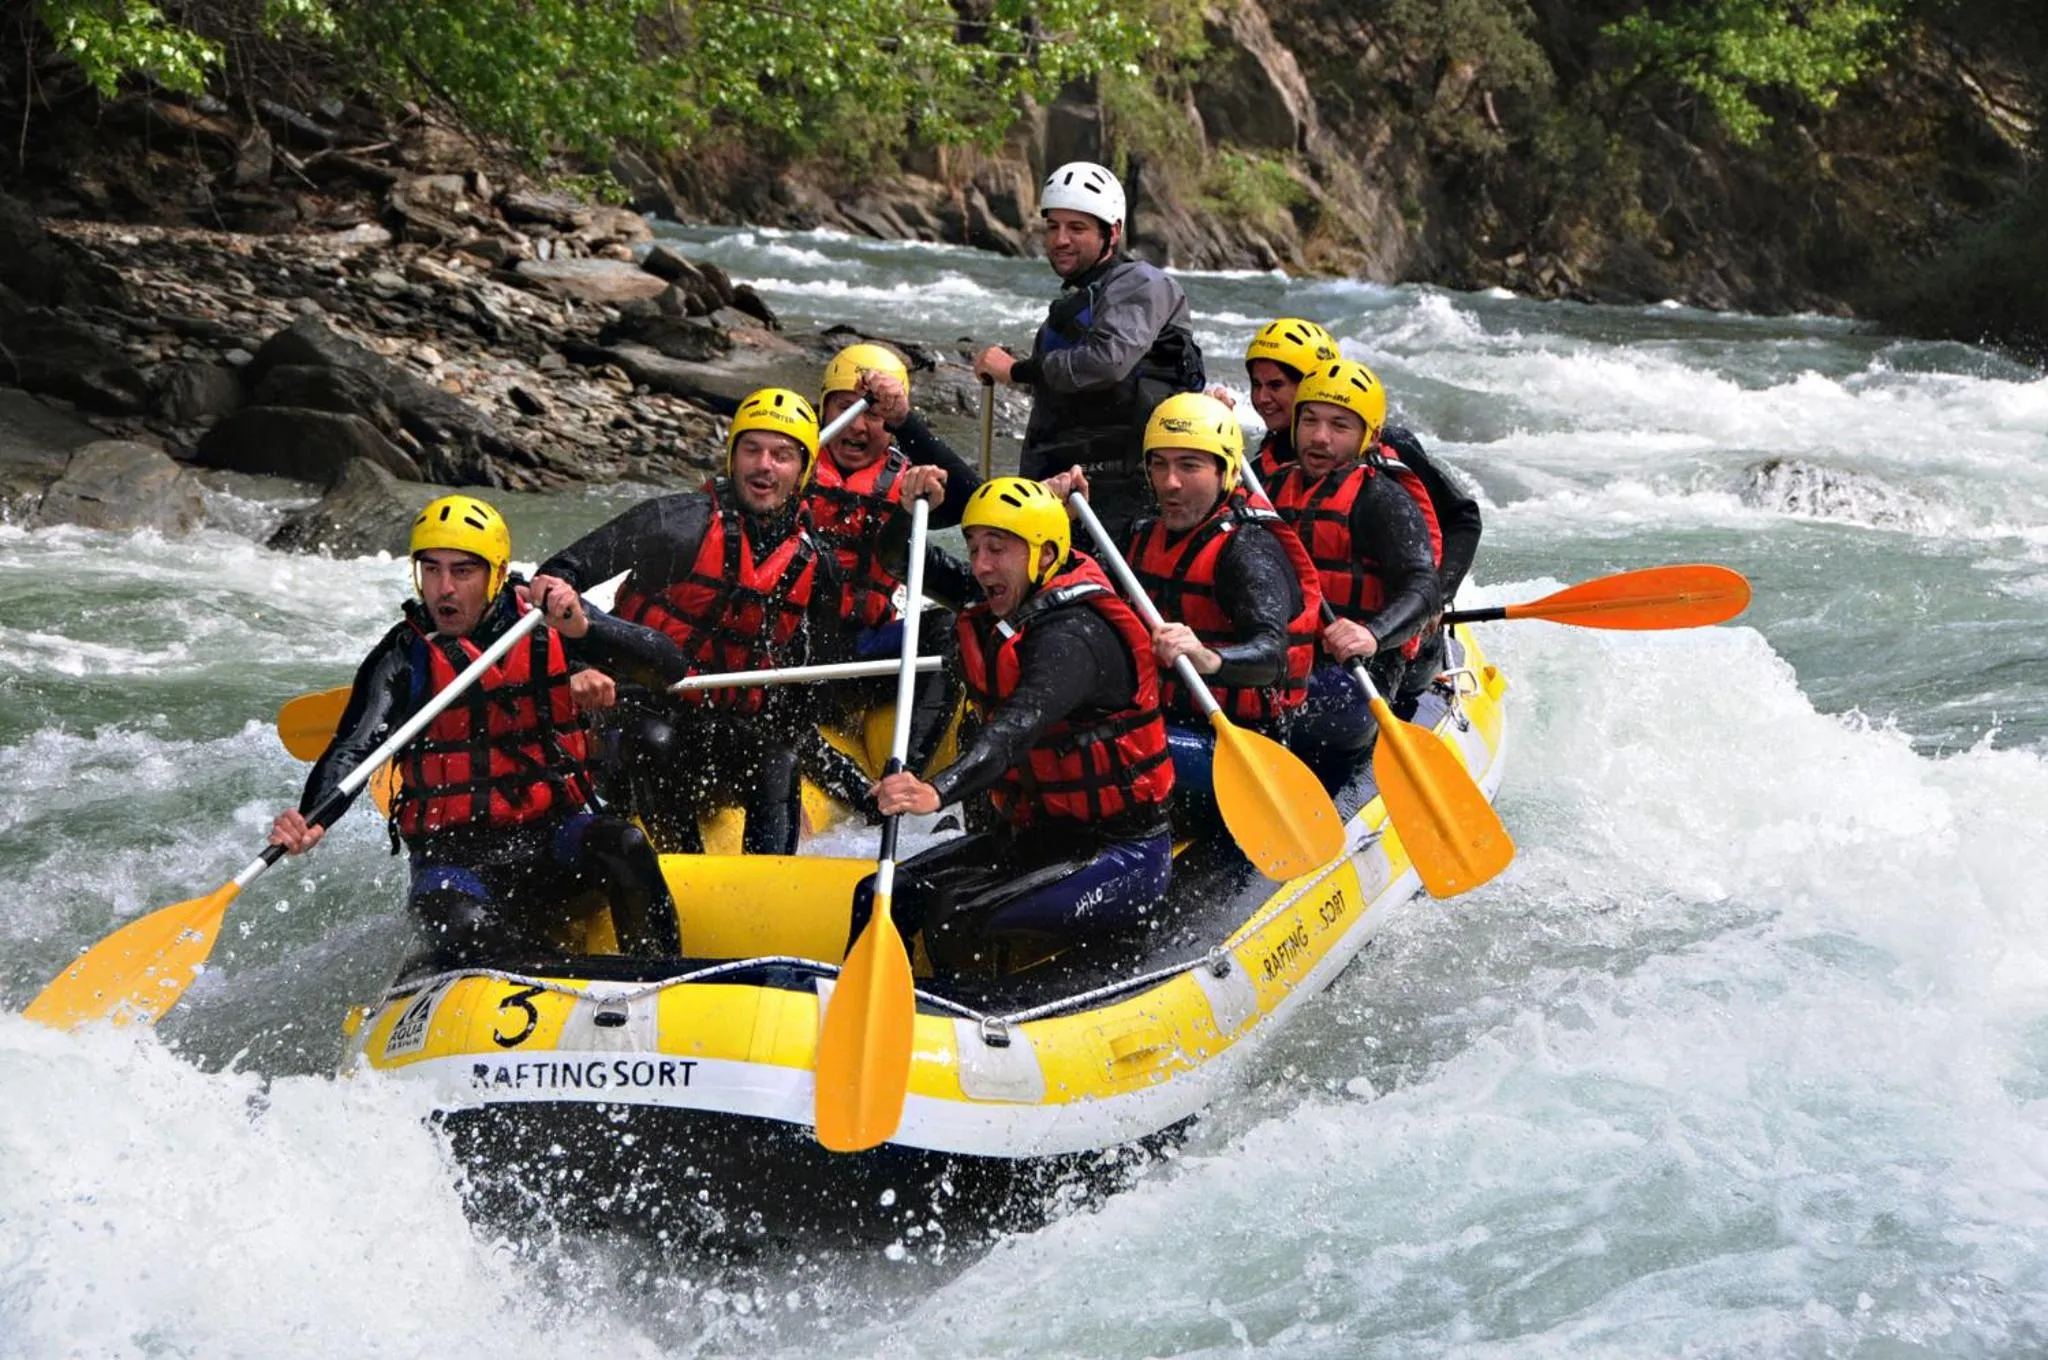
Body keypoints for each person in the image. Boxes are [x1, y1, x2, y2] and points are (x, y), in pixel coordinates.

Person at [267, 494, 680, 965]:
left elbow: (668, 666)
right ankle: (546, 974)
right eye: (431, 569)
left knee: (624, 845)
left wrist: (584, 631)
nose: (444, 588)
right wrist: (312, 818)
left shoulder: (548, 617)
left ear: (497, 574)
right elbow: (355, 748)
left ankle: (660, 976)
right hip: (456, 861)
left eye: (463, 571)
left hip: (553, 838)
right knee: (456, 924)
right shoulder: (404, 656)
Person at [857, 477, 1175, 976]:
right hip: (1032, 837)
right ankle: (853, 1002)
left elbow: (1014, 729)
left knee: (953, 916)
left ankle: (957, 1026)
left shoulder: (1074, 636)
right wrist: (907, 508)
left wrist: (937, 790)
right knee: (878, 894)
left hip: (1119, 852)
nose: (981, 565)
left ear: (1045, 555)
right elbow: (902, 560)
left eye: (998, 549)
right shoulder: (996, 598)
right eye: (974, 546)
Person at [527, 388, 852, 856]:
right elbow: (561, 575)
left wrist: (788, 761)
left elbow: (815, 683)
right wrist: (578, 667)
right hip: (628, 720)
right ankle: (681, 869)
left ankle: (770, 888)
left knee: (778, 760)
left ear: (802, 471)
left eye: (782, 455)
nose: (764, 466)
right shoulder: (675, 524)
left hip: (718, 728)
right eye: (751, 450)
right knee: (653, 739)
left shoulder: (817, 566)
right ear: (732, 457)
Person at [1046, 392, 1320, 838]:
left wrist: (1209, 657)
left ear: (1226, 473)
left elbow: (1273, 657)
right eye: (1160, 465)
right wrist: (1063, 523)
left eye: (1190, 466)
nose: (1170, 482)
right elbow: (1080, 603)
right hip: (1156, 719)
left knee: (1093, 747)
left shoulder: (1247, 550)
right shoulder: (1140, 533)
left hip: (1236, 746)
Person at [972, 161, 1204, 547]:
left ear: (1111, 232)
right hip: (1067, 483)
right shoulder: (1077, 301)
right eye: (1053, 227)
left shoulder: (1144, 284)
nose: (1060, 239)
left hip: (1124, 493)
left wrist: (1015, 370)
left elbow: (1105, 362)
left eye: (1076, 228)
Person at [1261, 360, 1440, 791]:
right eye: (1309, 421)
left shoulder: (1382, 499)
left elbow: (1424, 587)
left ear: (1370, 437)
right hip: (1283, 666)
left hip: (1360, 676)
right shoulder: (1269, 490)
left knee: (1315, 709)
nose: (1320, 438)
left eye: (1339, 426)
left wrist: (1372, 634)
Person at [808, 343, 975, 783]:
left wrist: (905, 419)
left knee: (949, 629)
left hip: (863, 655)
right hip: (787, 651)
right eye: (844, 408)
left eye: (875, 416)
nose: (858, 426)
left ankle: (904, 776)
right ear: (823, 411)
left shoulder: (909, 481)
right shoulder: (788, 466)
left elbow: (973, 503)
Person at [1242, 317, 1342, 485]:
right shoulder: (1267, 459)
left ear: (1312, 387)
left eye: (1276, 385)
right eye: (1256, 384)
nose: (1261, 398)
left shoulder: (1349, 457)